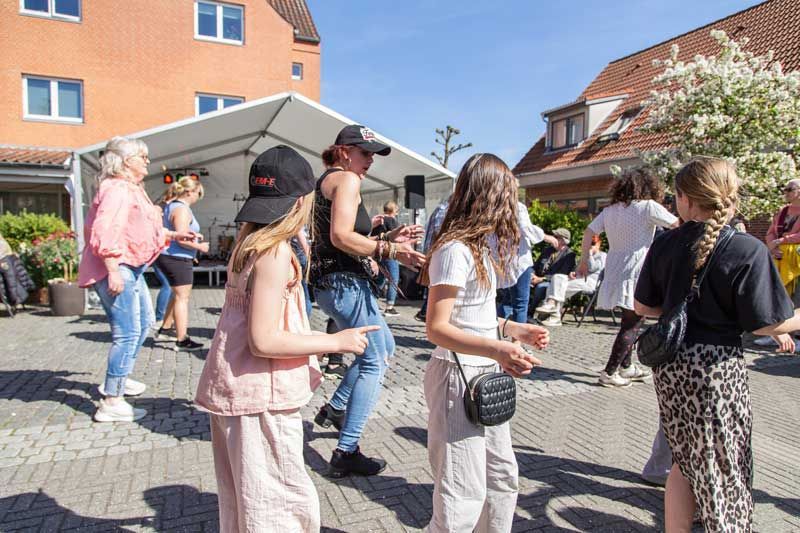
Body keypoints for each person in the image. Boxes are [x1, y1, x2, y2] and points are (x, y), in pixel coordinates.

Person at [195, 145, 379, 532]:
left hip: (239, 391)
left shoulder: (248, 243)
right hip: (261, 396)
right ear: (301, 202)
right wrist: (337, 342)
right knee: (281, 505)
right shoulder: (273, 253)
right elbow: (264, 340)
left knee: (246, 501)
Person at [634, 157, 800, 532]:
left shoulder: (666, 243)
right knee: (723, 467)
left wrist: (679, 310)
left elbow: (643, 306)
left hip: (672, 366)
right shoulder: (746, 249)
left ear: (685, 199)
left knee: (684, 460)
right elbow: (768, 322)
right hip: (716, 371)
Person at [420, 153, 549, 532]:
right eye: (508, 197)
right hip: (457, 378)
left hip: (480, 375)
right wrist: (497, 348)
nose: (513, 207)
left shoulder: (476, 248)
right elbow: (436, 327)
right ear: (490, 197)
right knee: (461, 494)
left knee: (501, 479)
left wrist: (511, 329)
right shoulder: (454, 251)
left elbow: (469, 314)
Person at [310, 124, 426, 477]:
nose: (370, 161)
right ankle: (346, 451)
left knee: (384, 348)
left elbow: (343, 235)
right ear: (344, 150)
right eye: (365, 153)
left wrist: (386, 235)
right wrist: (392, 249)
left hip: (334, 283)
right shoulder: (347, 180)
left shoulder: (327, 180)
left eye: (373, 155)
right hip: (345, 283)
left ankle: (336, 407)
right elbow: (341, 236)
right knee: (374, 360)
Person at [77, 136, 197, 422]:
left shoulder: (131, 188)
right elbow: (104, 231)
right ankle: (111, 400)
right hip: (119, 267)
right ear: (124, 161)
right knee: (127, 332)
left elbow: (138, 228)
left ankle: (119, 379)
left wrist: (174, 235)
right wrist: (113, 269)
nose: (147, 160)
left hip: (132, 266)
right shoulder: (117, 189)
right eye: (141, 156)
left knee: (144, 323)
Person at [576, 169, 677, 387]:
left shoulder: (610, 210)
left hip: (615, 268)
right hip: (638, 268)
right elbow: (677, 225)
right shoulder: (648, 207)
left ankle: (626, 367)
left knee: (628, 319)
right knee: (633, 323)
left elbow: (588, 231)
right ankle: (610, 372)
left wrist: (583, 261)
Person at [154, 177, 208, 351]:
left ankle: (166, 328)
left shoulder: (171, 205)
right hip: (176, 256)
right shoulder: (182, 209)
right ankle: (182, 339)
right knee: (182, 298)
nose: (198, 197)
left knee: (176, 294)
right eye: (198, 193)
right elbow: (182, 237)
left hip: (174, 255)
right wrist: (200, 247)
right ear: (190, 192)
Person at [754, 178, 800, 346]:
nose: (785, 192)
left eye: (789, 189)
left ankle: (796, 336)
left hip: (797, 263)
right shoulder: (782, 211)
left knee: (797, 297)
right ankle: (776, 331)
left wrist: (782, 241)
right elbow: (771, 232)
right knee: (779, 295)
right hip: (779, 259)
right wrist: (772, 247)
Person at [496, 201, 553, 323]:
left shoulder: (492, 204)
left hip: (501, 260)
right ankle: (517, 341)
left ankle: (496, 334)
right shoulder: (517, 206)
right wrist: (546, 237)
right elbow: (525, 227)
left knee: (506, 300)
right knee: (520, 304)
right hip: (519, 260)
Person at [535, 234, 607, 326]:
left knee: (557, 288)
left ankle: (553, 313)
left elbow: (592, 268)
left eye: (593, 244)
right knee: (557, 278)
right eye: (588, 244)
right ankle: (553, 312)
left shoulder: (603, 255)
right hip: (578, 280)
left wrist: (589, 254)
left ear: (599, 244)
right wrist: (573, 273)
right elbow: (577, 270)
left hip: (590, 283)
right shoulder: (584, 256)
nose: (590, 246)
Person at [414, 195, 450, 322]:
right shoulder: (444, 210)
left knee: (434, 292)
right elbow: (440, 235)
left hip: (437, 256)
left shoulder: (442, 209)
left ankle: (427, 313)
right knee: (437, 293)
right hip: (440, 257)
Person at [529, 227, 576, 312]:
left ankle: (530, 313)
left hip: (552, 283)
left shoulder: (569, 255)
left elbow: (561, 275)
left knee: (541, 287)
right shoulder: (547, 250)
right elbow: (535, 266)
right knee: (523, 281)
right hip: (536, 278)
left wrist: (541, 279)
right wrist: (532, 274)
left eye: (556, 237)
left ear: (563, 240)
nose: (552, 238)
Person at [371, 201, 401, 315]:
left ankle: (372, 299)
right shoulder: (391, 220)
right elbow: (396, 236)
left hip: (378, 251)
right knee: (393, 279)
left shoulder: (378, 220)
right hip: (389, 252)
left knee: (380, 278)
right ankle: (390, 306)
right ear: (393, 211)